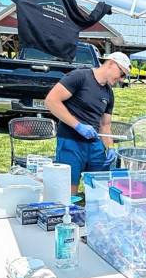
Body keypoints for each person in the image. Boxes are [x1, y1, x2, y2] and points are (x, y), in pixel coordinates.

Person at [45, 51, 131, 194]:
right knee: (68, 189)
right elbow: (51, 101)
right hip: (71, 141)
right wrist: (77, 125)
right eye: (122, 74)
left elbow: (105, 125)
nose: (122, 79)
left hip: (94, 144)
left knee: (99, 188)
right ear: (111, 64)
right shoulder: (80, 77)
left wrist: (110, 147)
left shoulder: (109, 93)